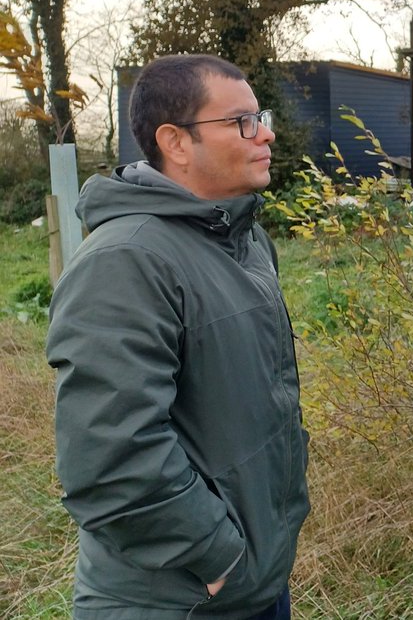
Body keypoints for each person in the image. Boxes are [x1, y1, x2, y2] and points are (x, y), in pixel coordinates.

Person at [46, 54, 310, 619]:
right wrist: (216, 556)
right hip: (178, 597)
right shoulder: (126, 261)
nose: (265, 133)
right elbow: (109, 457)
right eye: (241, 121)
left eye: (260, 116)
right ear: (177, 142)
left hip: (253, 583)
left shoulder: (245, 241)